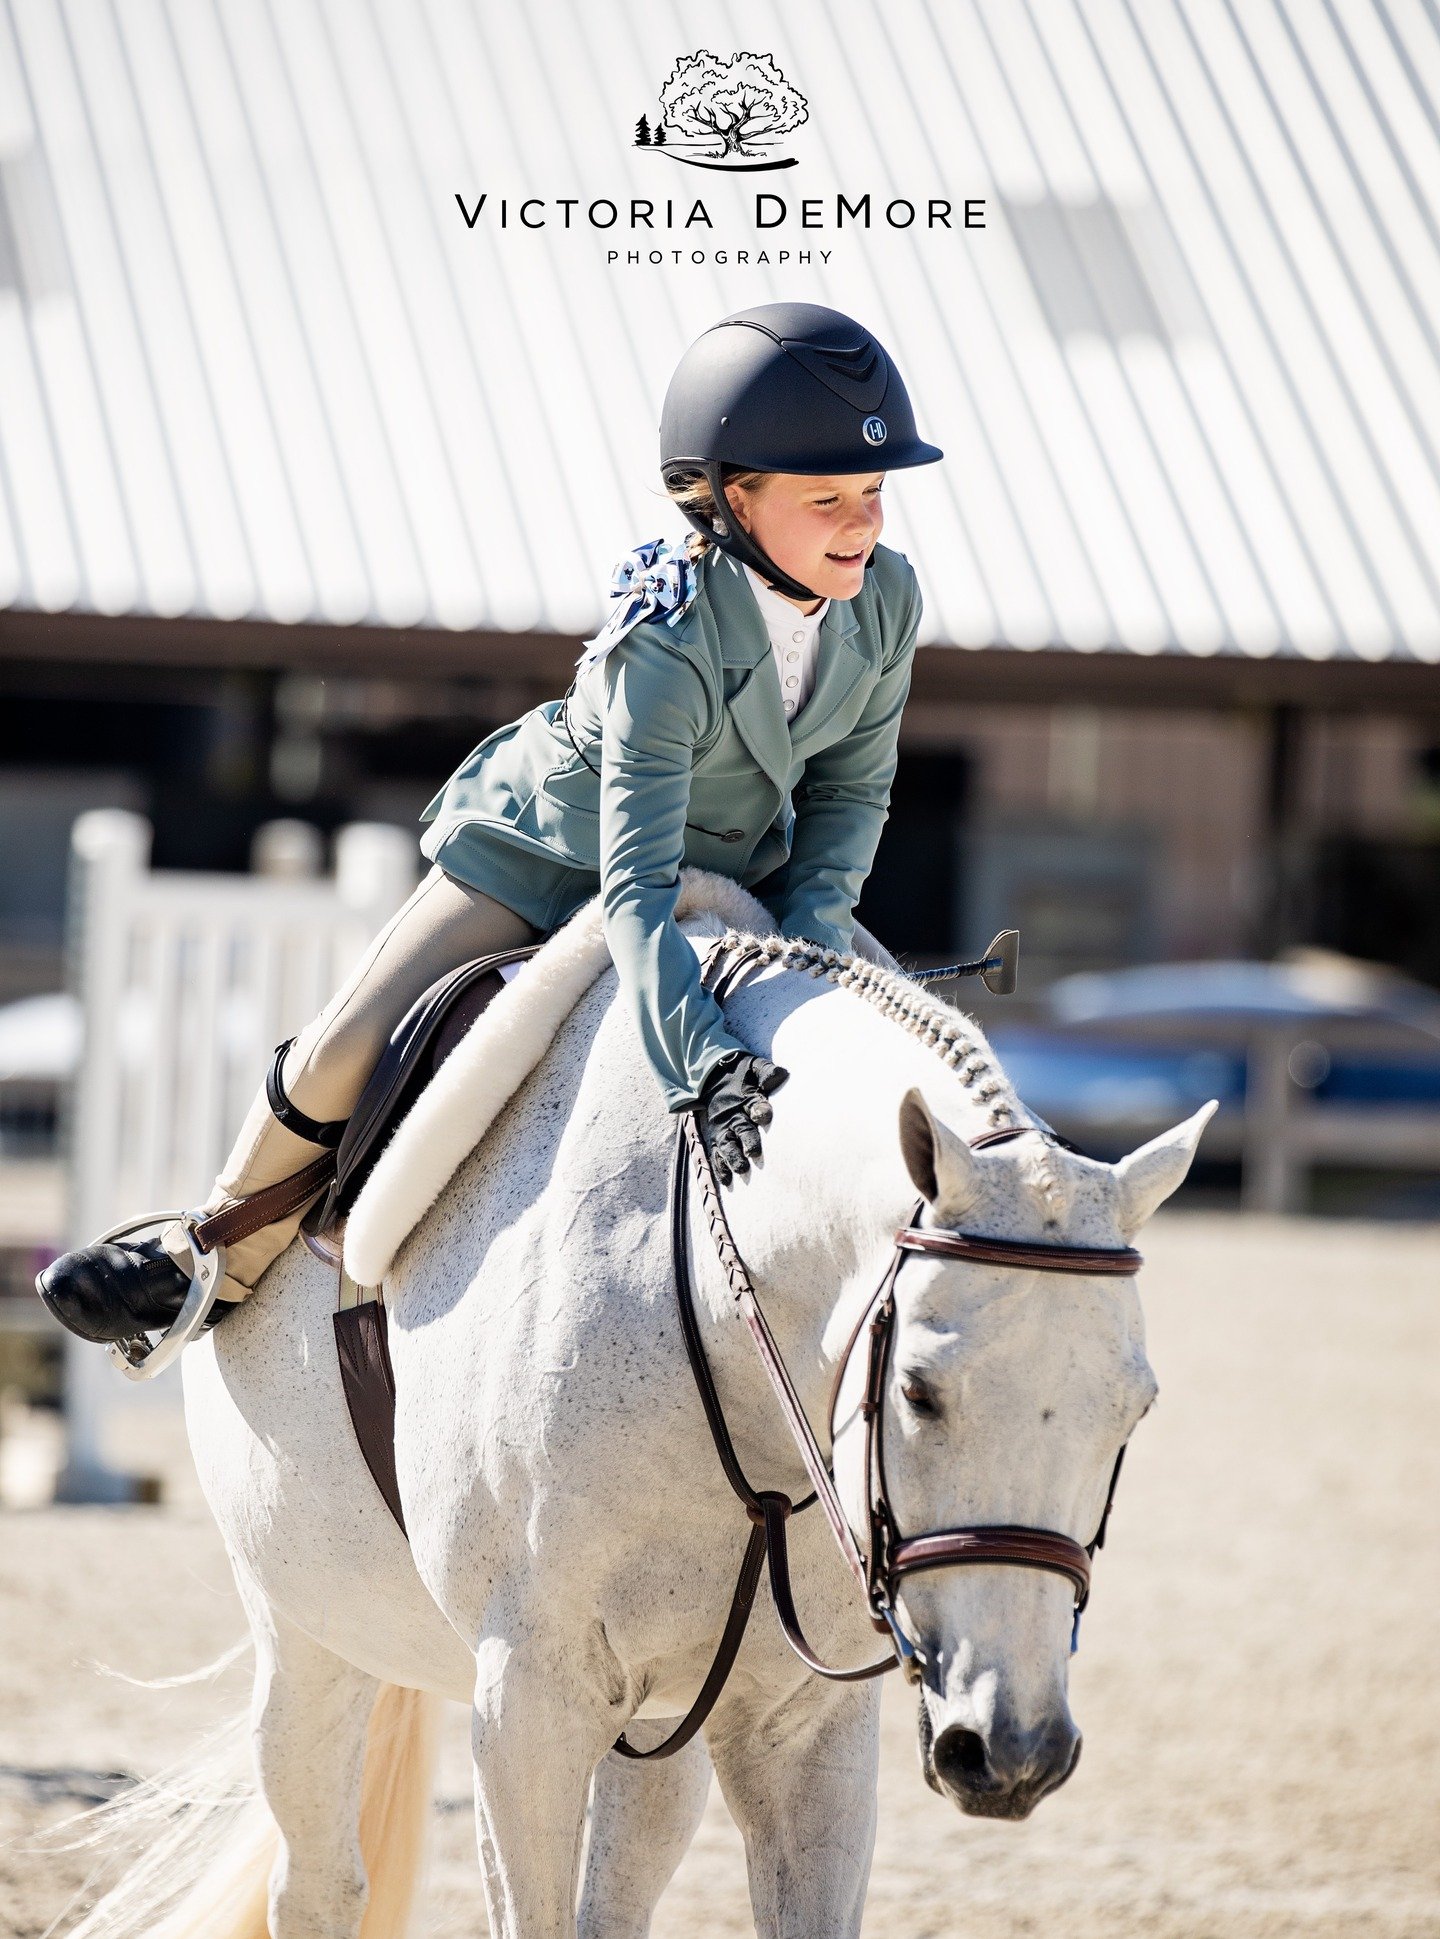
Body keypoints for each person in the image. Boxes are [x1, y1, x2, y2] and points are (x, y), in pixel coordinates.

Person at [36, 301, 943, 1351]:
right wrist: (701, 1061)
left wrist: (817, 940)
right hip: (551, 855)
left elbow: (849, 799)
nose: (864, 523)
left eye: (875, 492)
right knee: (351, 1042)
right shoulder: (670, 636)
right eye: (828, 497)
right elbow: (633, 892)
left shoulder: (887, 603)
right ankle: (206, 1252)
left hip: (740, 868)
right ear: (733, 501)